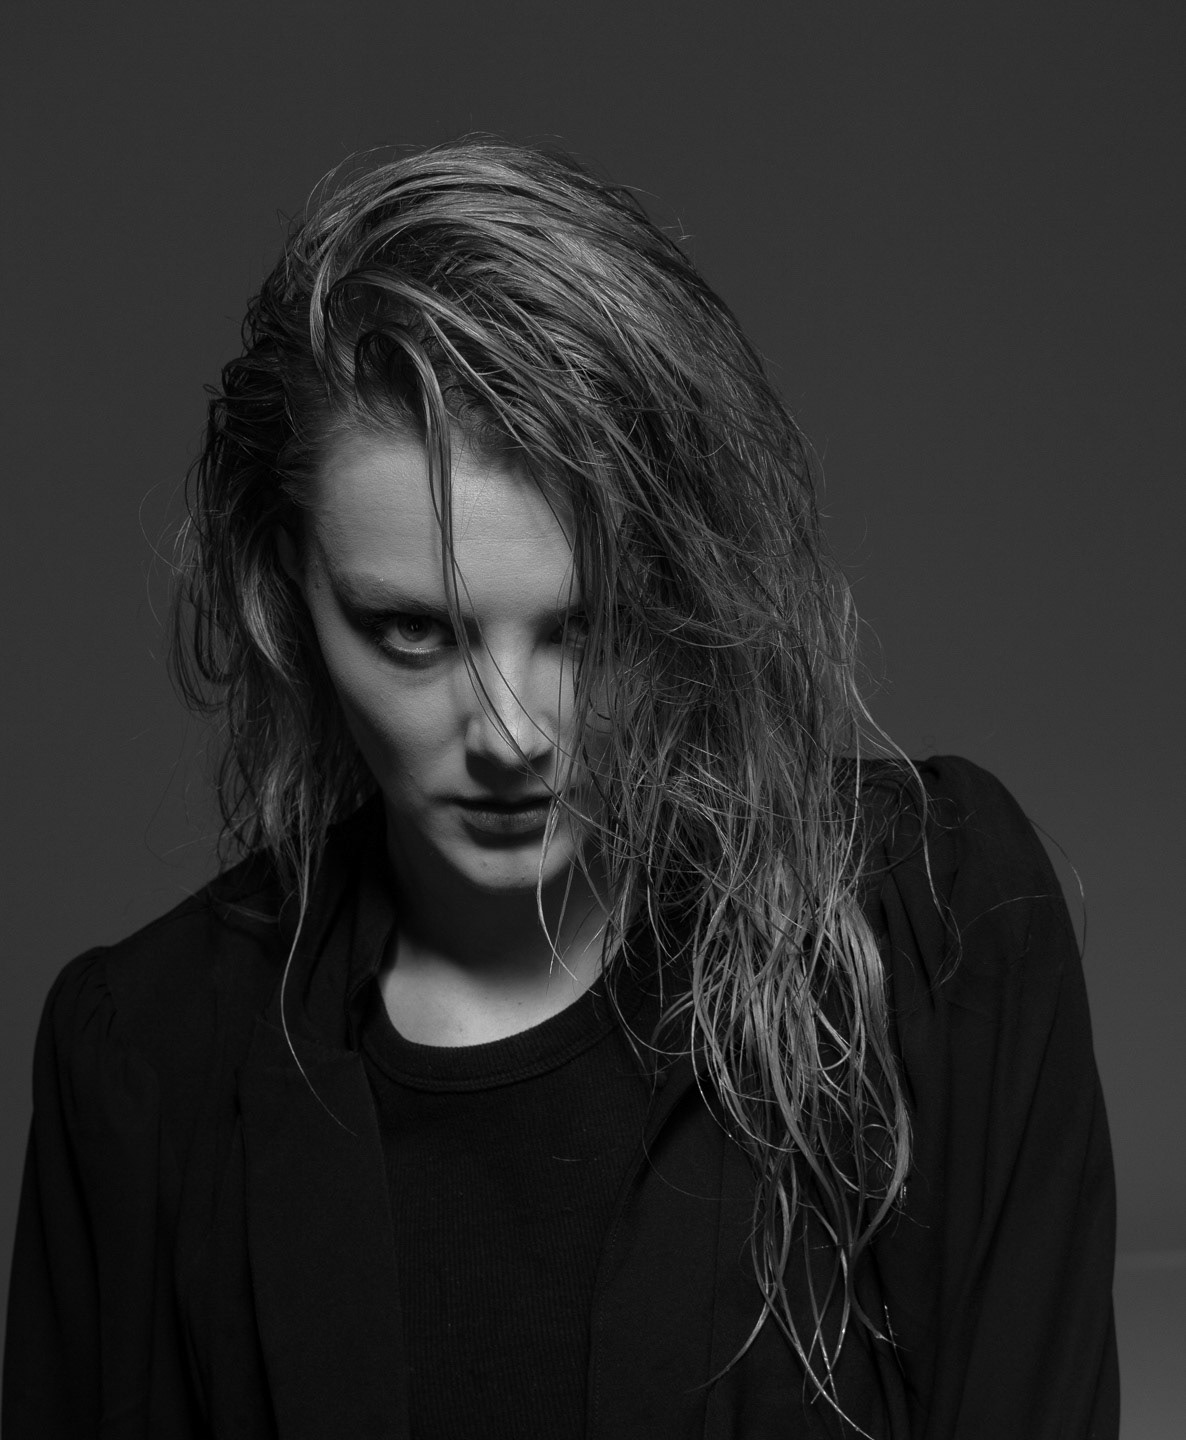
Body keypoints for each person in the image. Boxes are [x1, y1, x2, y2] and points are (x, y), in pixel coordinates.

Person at [3, 139, 1118, 1439]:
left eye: (585, 628)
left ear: (684, 585)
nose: (512, 732)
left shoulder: (935, 919)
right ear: (284, 595)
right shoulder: (146, 1059)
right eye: (412, 632)